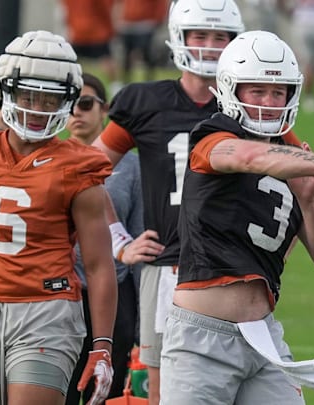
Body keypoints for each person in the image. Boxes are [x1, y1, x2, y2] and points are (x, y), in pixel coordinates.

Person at [159, 30, 314, 404]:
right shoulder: (213, 137)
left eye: (277, 92)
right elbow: (250, 158)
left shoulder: (290, 154)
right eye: (257, 91)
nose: (268, 102)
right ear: (232, 90)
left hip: (263, 339)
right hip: (201, 341)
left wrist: (309, 204)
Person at [90, 0, 244, 402]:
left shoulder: (249, 105)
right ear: (180, 36)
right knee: (159, 388)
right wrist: (119, 239)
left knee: (235, 378)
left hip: (233, 267)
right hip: (167, 266)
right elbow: (89, 171)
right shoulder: (144, 101)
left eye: (220, 37)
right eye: (201, 35)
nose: (210, 46)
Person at [0, 30, 116, 405]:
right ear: (5, 92)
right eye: (27, 95)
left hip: (47, 313)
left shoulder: (79, 165)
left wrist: (102, 346)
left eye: (49, 98)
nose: (36, 107)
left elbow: (98, 265)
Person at [64, 73, 142, 404]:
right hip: (62, 294)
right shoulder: (49, 159)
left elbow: (141, 238)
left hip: (115, 294)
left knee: (105, 395)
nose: (75, 113)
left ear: (105, 109)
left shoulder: (132, 167)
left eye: (84, 104)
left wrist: (142, 322)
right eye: (68, 105)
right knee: (60, 390)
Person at [62, 0, 120, 93]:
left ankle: (68, 86)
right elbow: (105, 10)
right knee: (107, 61)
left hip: (78, 31)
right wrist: (110, 29)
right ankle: (116, 87)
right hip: (96, 32)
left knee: (71, 64)